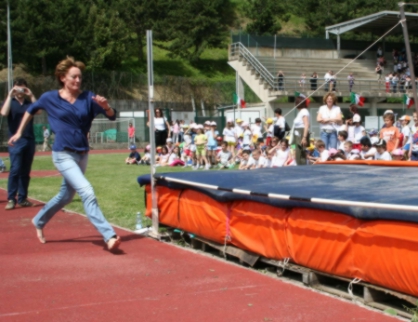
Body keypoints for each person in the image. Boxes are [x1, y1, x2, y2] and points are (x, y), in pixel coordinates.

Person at [7, 57, 121, 251]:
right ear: (62, 78)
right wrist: (18, 132)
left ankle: (39, 221)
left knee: (66, 196)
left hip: (82, 154)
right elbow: (31, 110)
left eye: (80, 77)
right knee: (86, 191)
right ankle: (109, 235)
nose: (78, 80)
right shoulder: (50, 98)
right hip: (63, 154)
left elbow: (112, 116)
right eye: (74, 77)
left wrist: (106, 106)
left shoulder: (88, 98)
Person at [1, 78, 37, 210]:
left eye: (22, 88)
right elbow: (4, 113)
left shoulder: (29, 103)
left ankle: (23, 198)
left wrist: (31, 95)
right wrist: (10, 96)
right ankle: (11, 198)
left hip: (29, 139)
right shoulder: (11, 102)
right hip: (16, 140)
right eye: (17, 88)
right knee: (15, 169)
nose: (20, 91)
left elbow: (38, 110)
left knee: (25, 171)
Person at [292, 96, 310, 165]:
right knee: (297, 153)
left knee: (301, 154)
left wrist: (304, 137)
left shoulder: (304, 111)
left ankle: (302, 168)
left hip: (301, 133)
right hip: (297, 133)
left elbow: (306, 124)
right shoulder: (300, 112)